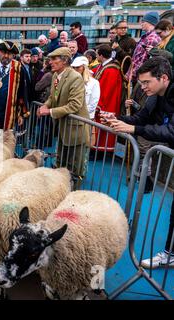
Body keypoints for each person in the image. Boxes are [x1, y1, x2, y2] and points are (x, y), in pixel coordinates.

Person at [101, 57, 174, 268]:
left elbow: (170, 131)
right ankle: (170, 252)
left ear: (164, 78)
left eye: (146, 82)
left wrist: (134, 130)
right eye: (141, 83)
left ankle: (170, 253)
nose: (142, 87)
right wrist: (116, 119)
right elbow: (140, 119)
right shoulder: (155, 94)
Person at [37, 47, 90, 186]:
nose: (50, 62)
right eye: (50, 59)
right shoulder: (56, 75)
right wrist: (46, 105)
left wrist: (50, 112)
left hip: (75, 130)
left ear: (65, 61)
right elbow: (52, 97)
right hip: (63, 127)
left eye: (54, 59)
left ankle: (73, 194)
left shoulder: (75, 78)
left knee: (74, 167)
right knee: (61, 163)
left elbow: (74, 105)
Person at [94, 44, 123, 151]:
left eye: (97, 54)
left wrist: (98, 104)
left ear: (101, 55)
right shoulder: (104, 66)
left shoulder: (111, 70)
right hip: (103, 102)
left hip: (107, 104)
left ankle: (101, 150)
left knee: (103, 127)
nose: (96, 57)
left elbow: (106, 90)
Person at [127, 12, 161, 83]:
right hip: (139, 76)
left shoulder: (151, 38)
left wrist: (132, 75)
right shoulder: (147, 37)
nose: (141, 24)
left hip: (141, 78)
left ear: (150, 23)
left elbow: (143, 61)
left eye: (143, 21)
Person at [71, 56, 100, 120]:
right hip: (71, 117)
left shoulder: (94, 83)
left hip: (86, 118)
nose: (75, 69)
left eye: (78, 67)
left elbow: (93, 104)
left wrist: (78, 113)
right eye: (73, 67)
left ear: (84, 68)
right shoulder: (70, 81)